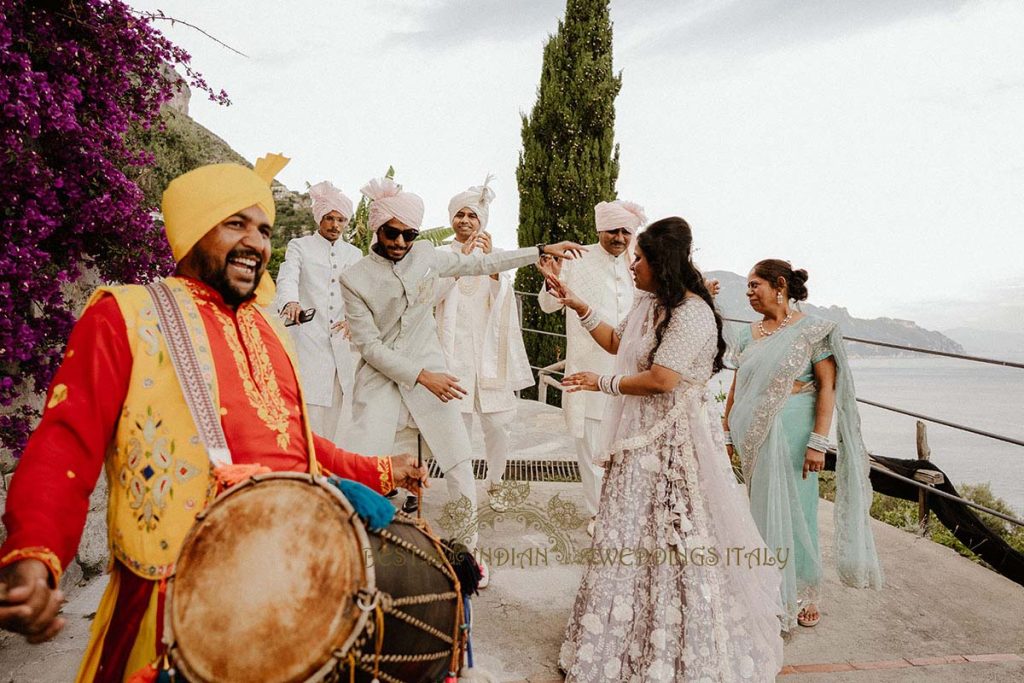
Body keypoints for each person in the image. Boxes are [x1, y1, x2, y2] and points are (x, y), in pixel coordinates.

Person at [0, 157, 426, 682]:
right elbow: (66, 442)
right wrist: (34, 555)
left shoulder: (270, 334)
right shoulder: (127, 315)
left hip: (289, 584)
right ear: (194, 229)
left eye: (265, 230)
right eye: (236, 223)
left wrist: (382, 469)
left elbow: (295, 446)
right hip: (176, 605)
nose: (257, 242)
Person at [555, 217, 784, 682]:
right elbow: (620, 342)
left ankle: (678, 641)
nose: (631, 265)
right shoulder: (650, 303)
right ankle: (625, 635)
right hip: (637, 441)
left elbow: (663, 380)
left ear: (661, 263)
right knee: (627, 536)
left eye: (638, 258)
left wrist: (600, 382)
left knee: (676, 542)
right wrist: (579, 305)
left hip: (673, 445)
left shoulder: (693, 313)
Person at [339, 177, 583, 573]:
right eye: (392, 232)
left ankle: (468, 553)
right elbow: (370, 348)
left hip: (435, 381)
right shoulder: (354, 278)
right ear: (376, 228)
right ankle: (361, 556)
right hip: (383, 384)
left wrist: (539, 249)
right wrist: (421, 376)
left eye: (409, 234)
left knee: (459, 465)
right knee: (366, 470)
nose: (401, 241)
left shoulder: (426, 257)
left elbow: (485, 263)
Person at [723, 259, 883, 630]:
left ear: (779, 285)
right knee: (761, 510)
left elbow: (827, 386)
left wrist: (818, 441)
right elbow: (738, 388)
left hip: (796, 432)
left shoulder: (814, 330)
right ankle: (767, 588)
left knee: (800, 511)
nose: (748, 293)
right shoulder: (748, 334)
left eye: (754, 285)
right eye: (747, 287)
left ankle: (803, 594)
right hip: (753, 433)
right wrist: (728, 433)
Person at [537, 200, 644, 532]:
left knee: (626, 447)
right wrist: (551, 280)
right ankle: (599, 513)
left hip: (630, 371)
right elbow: (547, 305)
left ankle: (624, 509)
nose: (620, 237)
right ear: (600, 229)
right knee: (592, 446)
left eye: (626, 231)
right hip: (588, 368)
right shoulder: (576, 259)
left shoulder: (637, 264)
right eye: (613, 230)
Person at [435, 179, 533, 511]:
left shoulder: (496, 255)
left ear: (482, 221)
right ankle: (461, 495)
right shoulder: (439, 256)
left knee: (499, 426)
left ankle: (496, 482)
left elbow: (504, 300)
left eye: (472, 216)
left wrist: (491, 267)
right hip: (453, 358)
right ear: (452, 219)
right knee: (456, 430)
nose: (465, 221)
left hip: (491, 358)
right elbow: (429, 297)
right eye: (459, 214)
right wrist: (459, 262)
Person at [274, 180, 363, 443]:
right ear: (319, 218)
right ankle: (309, 471)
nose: (335, 225)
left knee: (335, 417)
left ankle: (326, 473)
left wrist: (353, 321)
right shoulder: (300, 246)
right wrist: (290, 301)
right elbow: (288, 276)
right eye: (329, 218)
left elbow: (359, 294)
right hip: (309, 339)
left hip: (339, 346)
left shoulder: (354, 253)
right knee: (308, 413)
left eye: (341, 219)